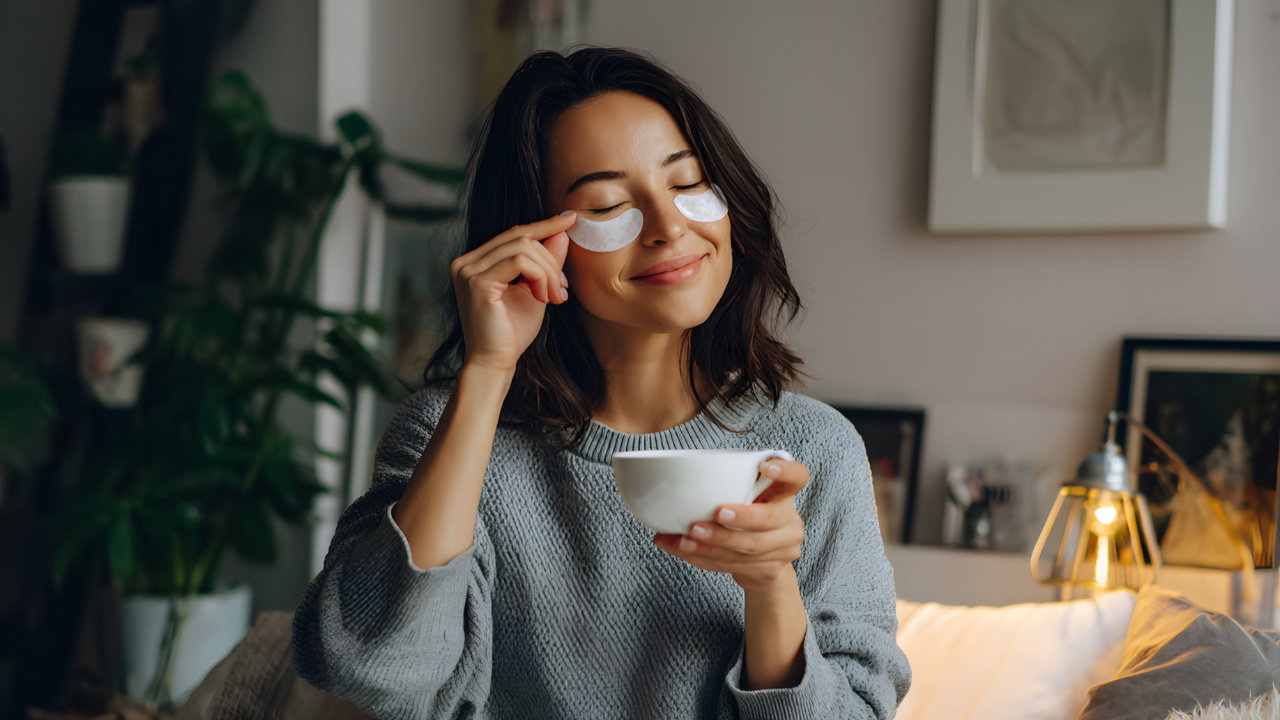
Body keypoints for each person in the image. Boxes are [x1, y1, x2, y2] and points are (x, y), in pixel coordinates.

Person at [293, 47, 910, 720]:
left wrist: (769, 586)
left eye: (688, 183)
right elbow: (366, 667)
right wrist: (488, 370)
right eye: (609, 204)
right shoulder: (448, 432)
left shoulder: (816, 448)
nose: (669, 227)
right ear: (532, 239)